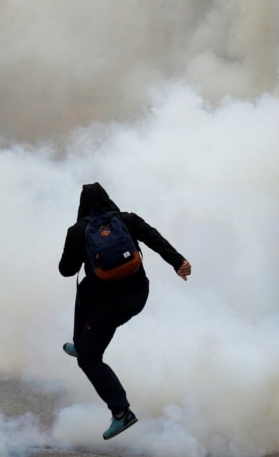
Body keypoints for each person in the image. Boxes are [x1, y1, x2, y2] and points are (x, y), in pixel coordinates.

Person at [58, 182, 192, 440]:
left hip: (107, 308)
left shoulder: (78, 231)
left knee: (89, 359)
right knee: (86, 289)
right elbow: (155, 239)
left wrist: (80, 249)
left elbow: (65, 270)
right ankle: (81, 342)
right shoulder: (127, 219)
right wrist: (179, 262)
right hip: (137, 297)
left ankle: (121, 412)